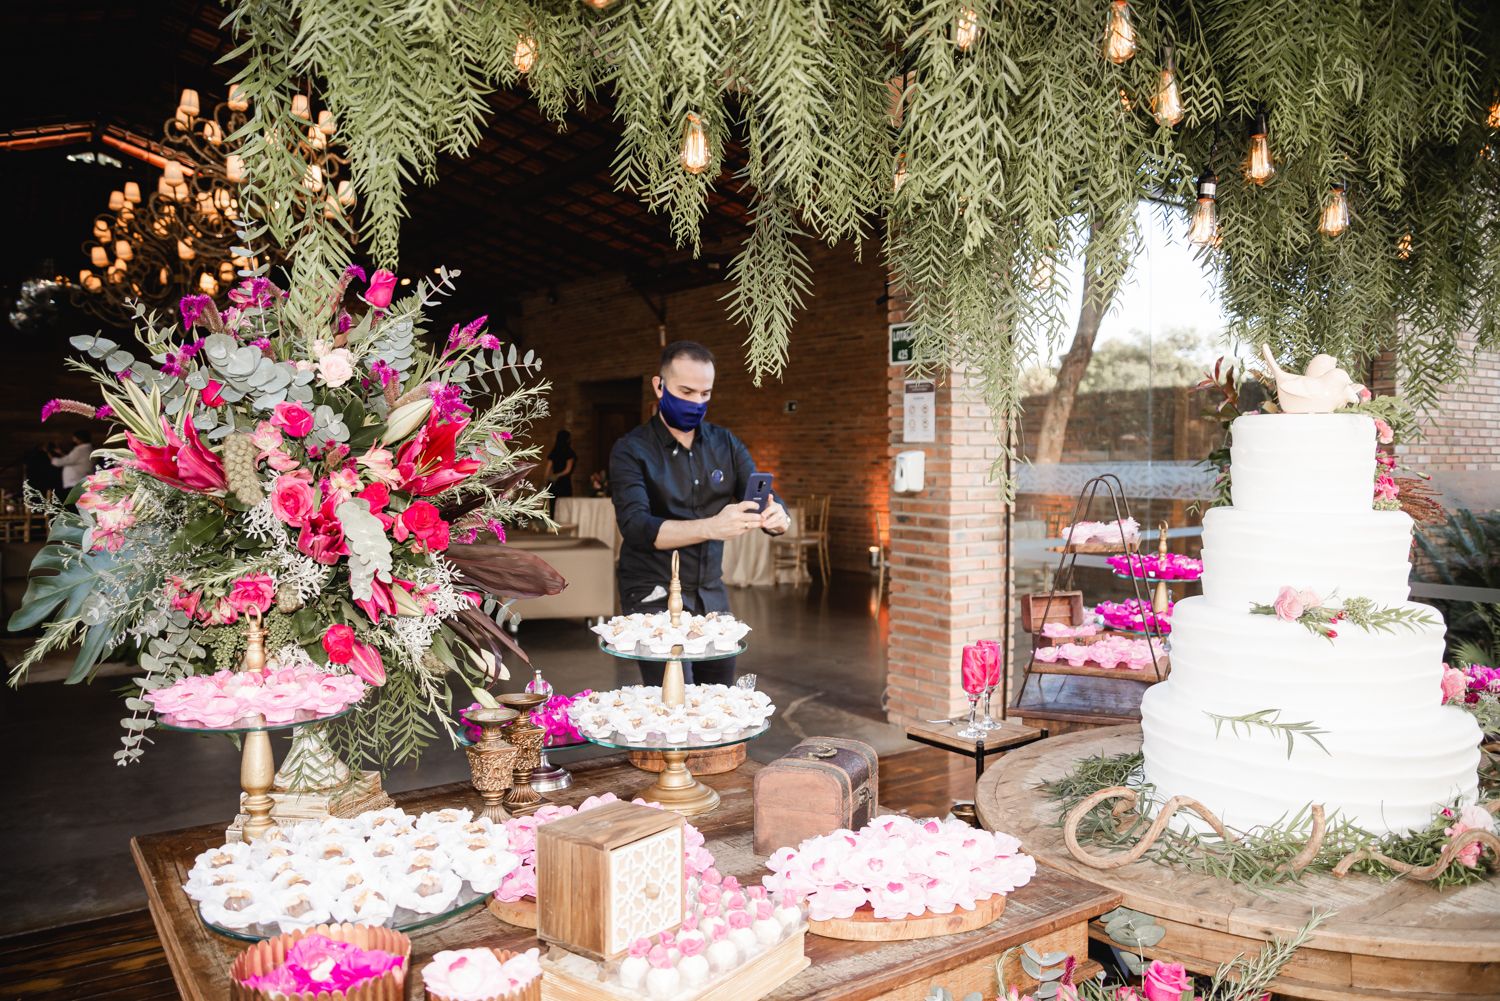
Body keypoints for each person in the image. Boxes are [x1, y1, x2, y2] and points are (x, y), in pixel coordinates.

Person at [610, 341, 790, 686]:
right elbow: (636, 528)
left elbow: (761, 495)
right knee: (673, 693)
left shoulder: (726, 444)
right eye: (686, 391)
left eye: (705, 393)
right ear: (659, 386)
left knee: (719, 689)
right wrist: (712, 526)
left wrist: (778, 516)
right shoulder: (631, 449)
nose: (696, 403)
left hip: (709, 588)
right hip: (652, 589)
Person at [543, 429, 576, 516]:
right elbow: (568, 470)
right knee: (566, 504)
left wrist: (547, 480)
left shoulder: (554, 452)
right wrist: (558, 475)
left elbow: (547, 470)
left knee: (553, 505)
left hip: (553, 483)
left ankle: (553, 525)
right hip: (564, 482)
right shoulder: (570, 452)